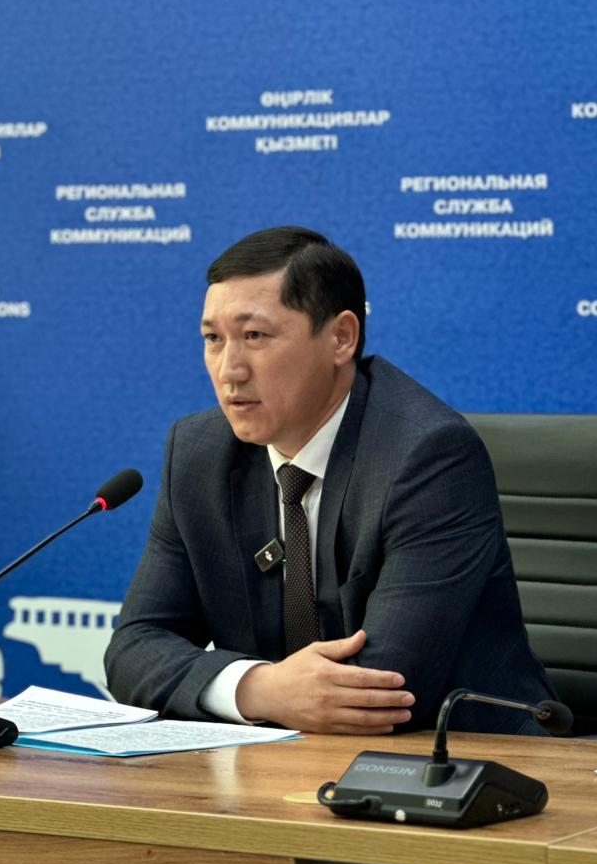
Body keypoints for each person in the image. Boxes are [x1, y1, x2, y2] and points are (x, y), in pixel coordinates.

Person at [105, 227, 557, 735]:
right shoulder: (198, 454)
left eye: (255, 337)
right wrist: (256, 687)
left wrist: (256, 693)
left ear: (341, 337)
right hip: (283, 760)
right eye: (214, 339)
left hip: (459, 756)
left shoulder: (428, 456)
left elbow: (382, 686)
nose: (229, 370)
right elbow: (133, 648)